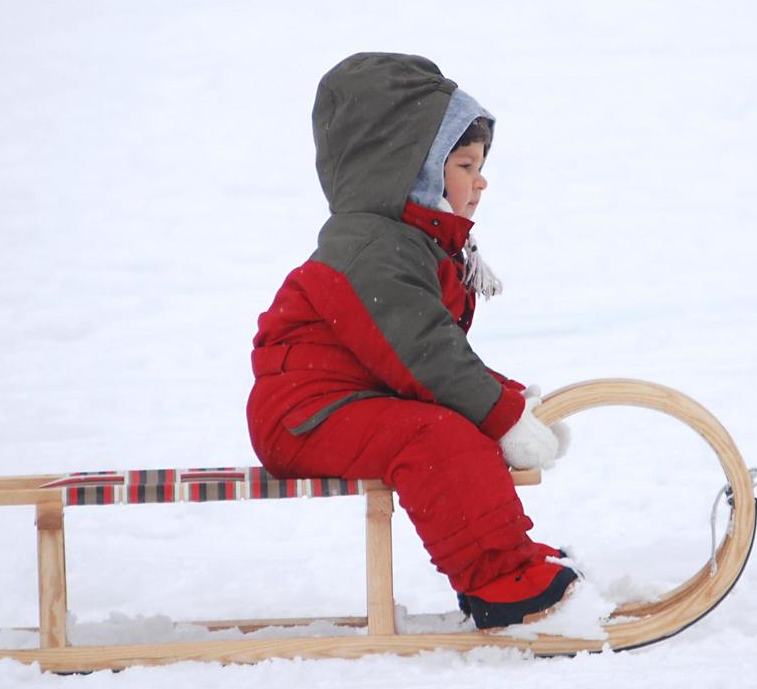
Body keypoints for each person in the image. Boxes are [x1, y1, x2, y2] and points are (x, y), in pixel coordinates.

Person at [247, 52, 577, 629]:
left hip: (349, 401)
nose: (481, 180)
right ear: (414, 169)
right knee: (437, 438)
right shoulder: (370, 250)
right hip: (307, 415)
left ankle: (508, 563)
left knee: (449, 426)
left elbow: (431, 357)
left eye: (481, 164)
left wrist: (508, 400)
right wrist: (500, 415)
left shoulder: (408, 243)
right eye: (465, 164)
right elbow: (423, 355)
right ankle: (505, 582)